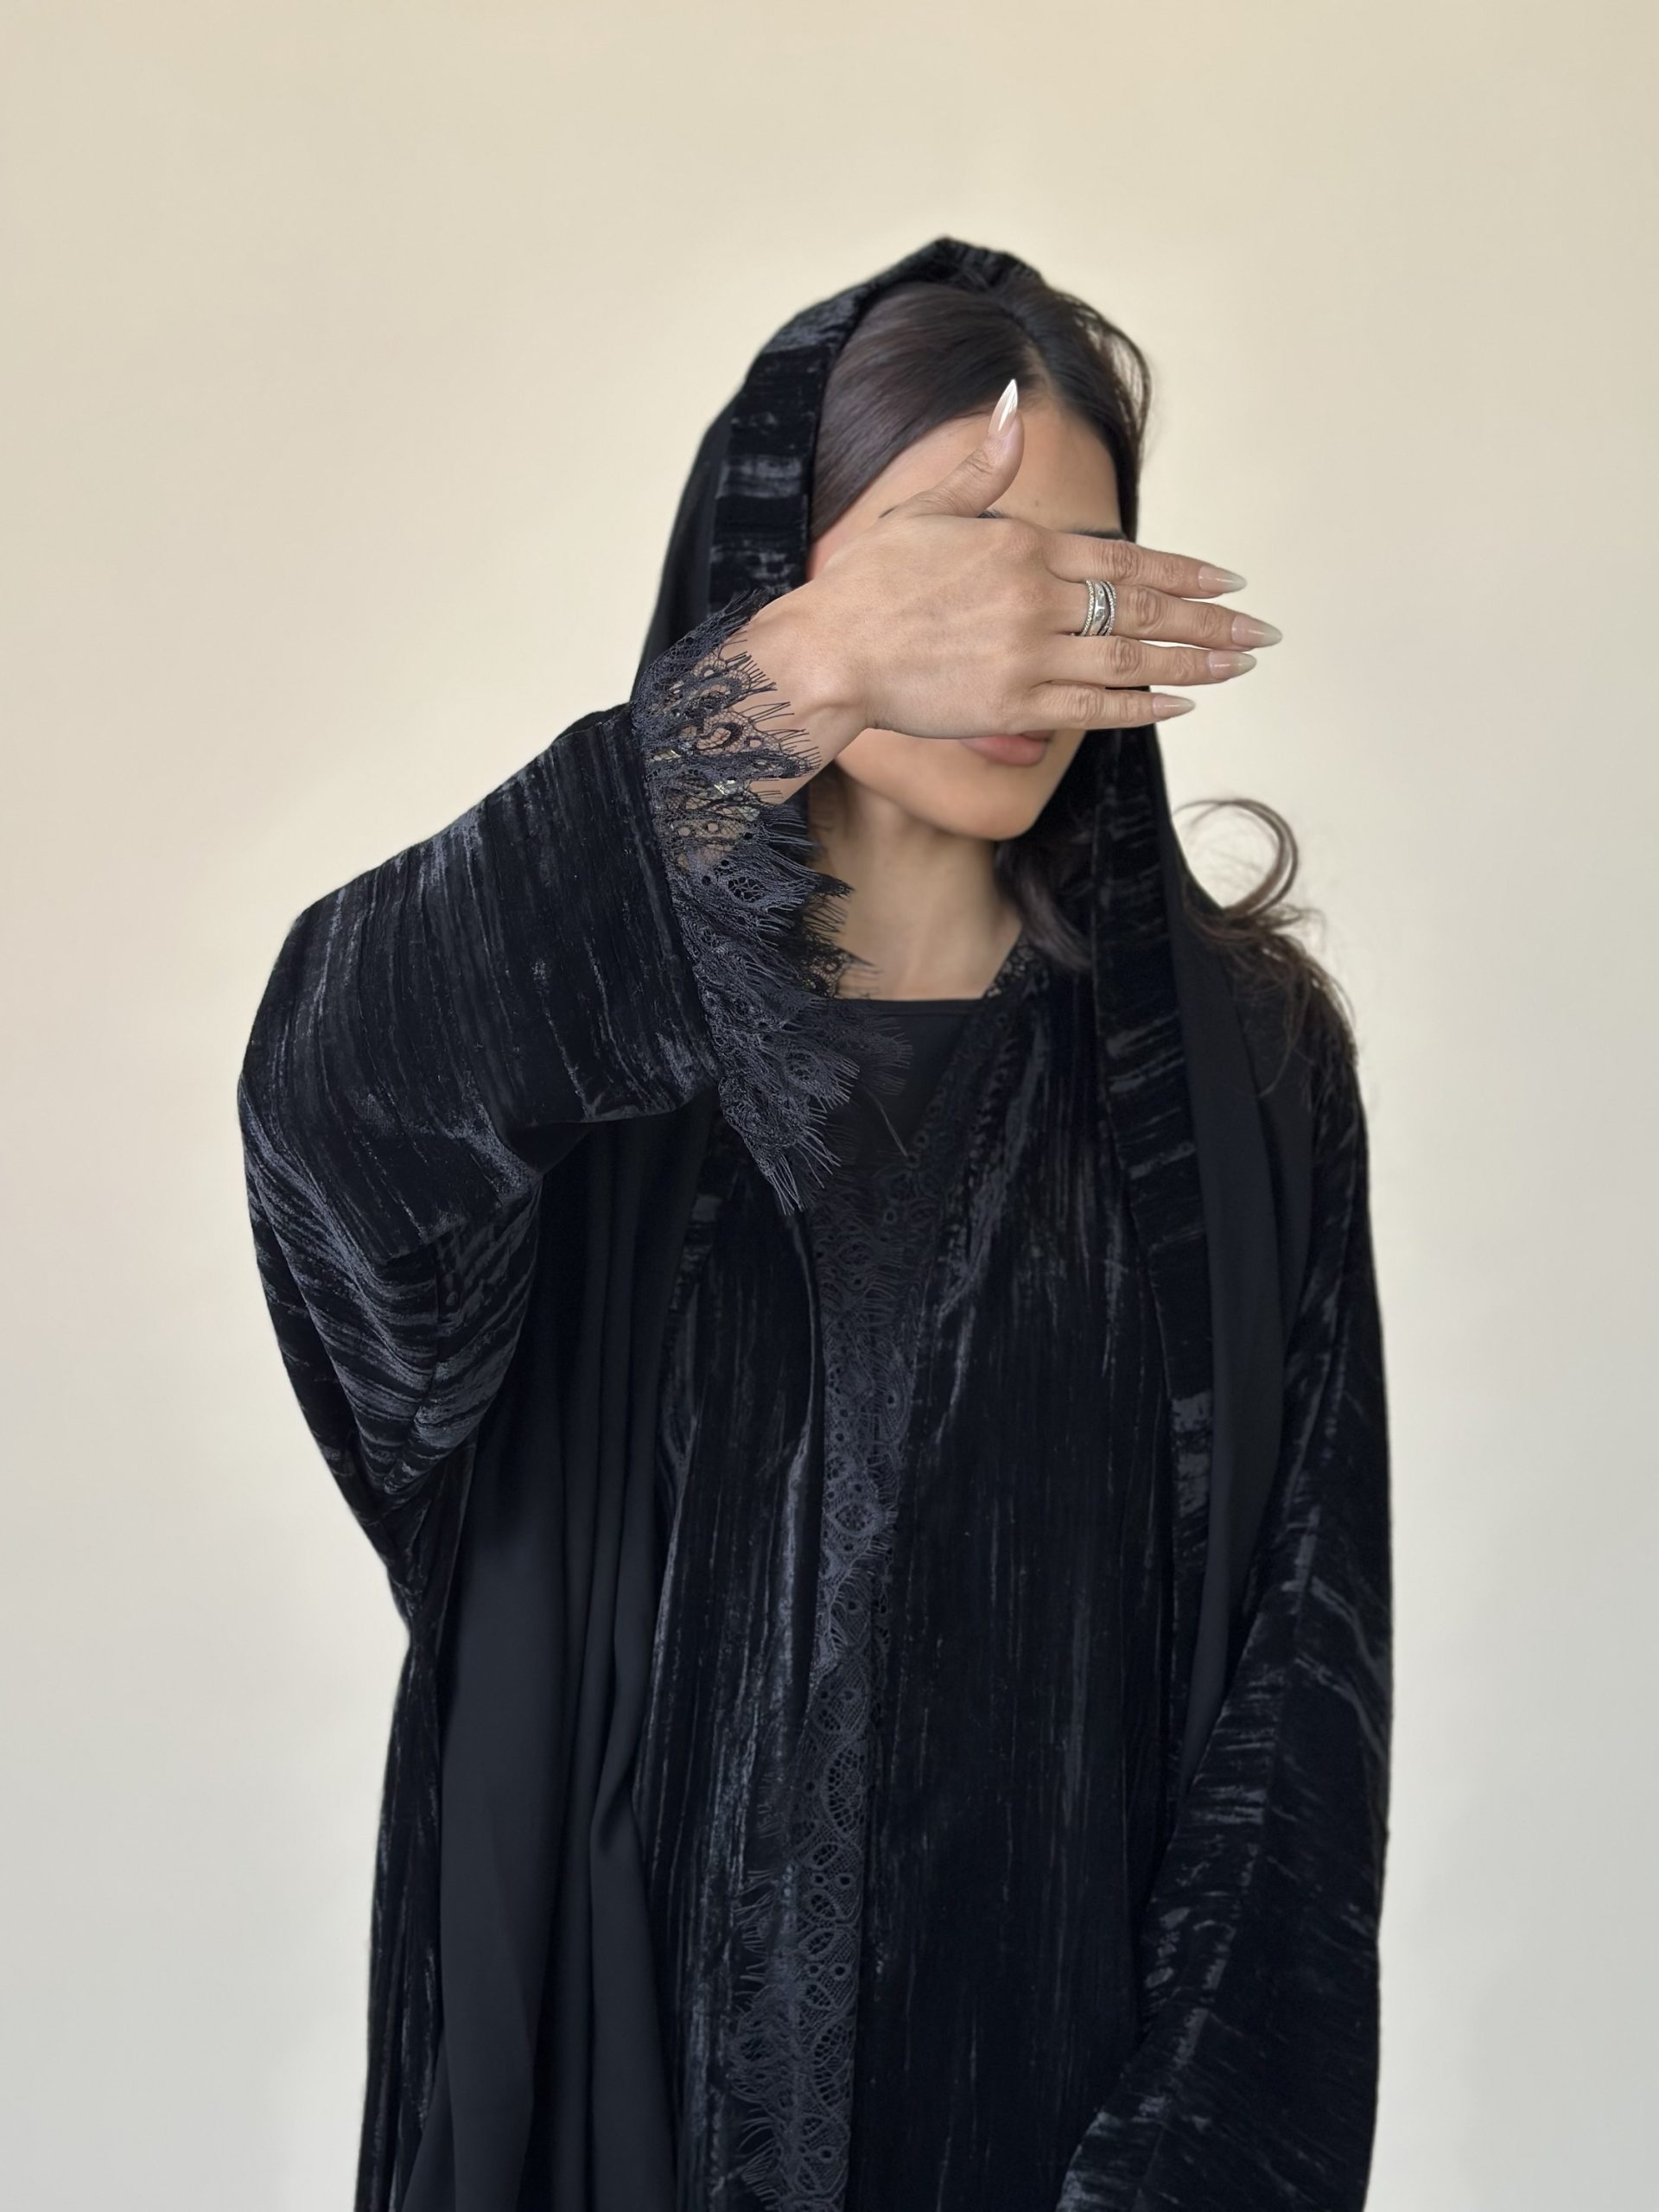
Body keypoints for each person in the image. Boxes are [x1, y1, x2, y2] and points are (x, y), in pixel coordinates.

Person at [238, 237, 1390, 2212]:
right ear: (782, 571)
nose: (1015, 627)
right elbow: (334, 1095)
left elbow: (1297, 1717)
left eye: (1078, 568)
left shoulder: (1240, 1076)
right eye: (951, 560)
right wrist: (799, 679)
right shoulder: (576, 1063)